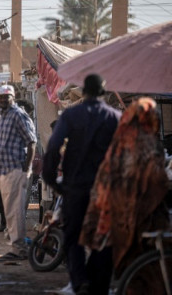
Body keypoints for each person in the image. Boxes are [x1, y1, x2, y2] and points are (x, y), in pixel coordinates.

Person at [79, 97, 169, 295]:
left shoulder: (118, 141)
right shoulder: (149, 145)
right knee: (145, 266)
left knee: (109, 259)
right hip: (137, 215)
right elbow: (156, 183)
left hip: (110, 213)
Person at [42, 74, 121, 295]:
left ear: (84, 92)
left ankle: (80, 282)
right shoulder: (115, 117)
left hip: (75, 188)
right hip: (105, 191)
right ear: (102, 94)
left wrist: (51, 180)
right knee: (103, 238)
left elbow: (54, 147)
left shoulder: (70, 115)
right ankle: (98, 285)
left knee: (73, 237)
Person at [0, 84, 37, 261]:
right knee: (10, 211)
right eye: (0, 97)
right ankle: (16, 246)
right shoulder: (4, 115)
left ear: (13, 97)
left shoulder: (18, 114)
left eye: (6, 97)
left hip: (15, 170)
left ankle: (19, 250)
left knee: (16, 211)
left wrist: (27, 168)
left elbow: (31, 142)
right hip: (3, 171)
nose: (3, 100)